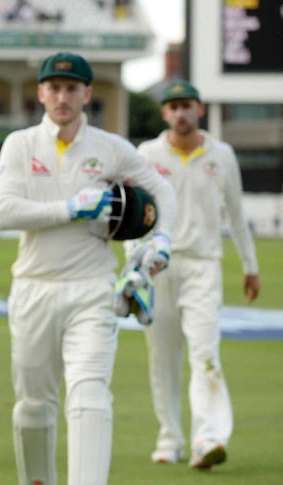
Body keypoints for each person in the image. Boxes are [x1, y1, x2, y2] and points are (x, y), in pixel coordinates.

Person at [0, 52, 177, 485]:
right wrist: (71, 209)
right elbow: (3, 212)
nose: (62, 96)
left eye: (72, 88)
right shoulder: (20, 144)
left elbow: (162, 191)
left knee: (90, 395)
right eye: (54, 87)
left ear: (87, 94)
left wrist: (161, 238)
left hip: (93, 286)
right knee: (34, 405)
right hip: (35, 286)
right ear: (41, 92)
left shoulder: (110, 148)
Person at [137, 80, 260, 470]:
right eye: (173, 107)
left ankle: (207, 438)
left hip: (204, 265)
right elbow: (138, 214)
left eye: (187, 105)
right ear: (164, 114)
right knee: (163, 358)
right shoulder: (147, 153)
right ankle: (170, 438)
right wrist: (134, 264)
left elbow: (236, 215)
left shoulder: (221, 154)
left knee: (205, 352)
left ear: (199, 109)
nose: (180, 113)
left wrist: (250, 266)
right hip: (159, 265)